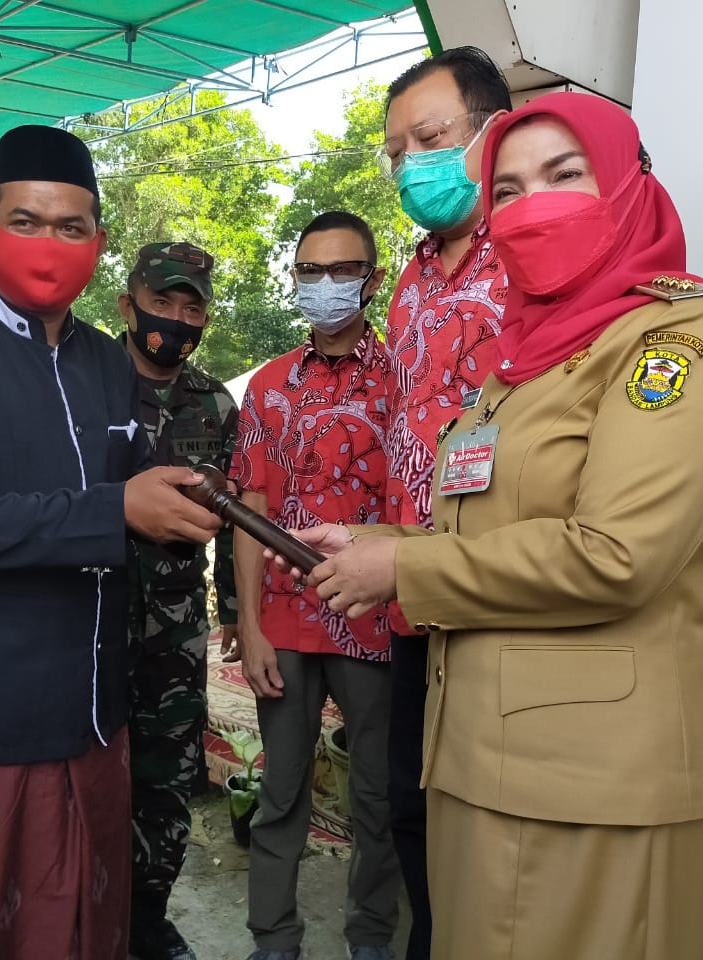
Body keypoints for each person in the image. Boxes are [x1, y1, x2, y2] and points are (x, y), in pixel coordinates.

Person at [276, 93, 703, 959]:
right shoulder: (526, 363)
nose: (534, 204)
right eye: (507, 190)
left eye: (565, 174)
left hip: (592, 783)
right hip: (483, 762)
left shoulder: (674, 342)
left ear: (626, 184)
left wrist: (406, 576)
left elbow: (616, 554)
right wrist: (381, 543)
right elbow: (500, 525)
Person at [0, 124, 221, 960]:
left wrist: (198, 501)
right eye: (26, 220)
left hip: (95, 714)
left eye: (72, 227)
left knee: (80, 934)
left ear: (98, 243)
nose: (49, 242)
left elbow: (131, 482)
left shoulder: (108, 363)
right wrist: (117, 511)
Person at [230, 211, 400, 960]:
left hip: (378, 619)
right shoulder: (268, 389)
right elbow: (248, 512)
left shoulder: (408, 385)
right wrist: (251, 624)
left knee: (378, 797)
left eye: (342, 270)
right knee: (283, 791)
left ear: (373, 278)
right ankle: (275, 937)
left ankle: (369, 938)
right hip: (287, 625)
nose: (325, 285)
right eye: (309, 271)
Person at [378, 47, 512, 960]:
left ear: (492, 134)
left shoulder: (535, 259)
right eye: (396, 153)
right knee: (409, 805)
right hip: (406, 586)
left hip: (494, 588)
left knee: (486, 818)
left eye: (428, 140)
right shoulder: (413, 276)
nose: (410, 166)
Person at [116, 241, 239, 960]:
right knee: (86, 779)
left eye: (191, 307)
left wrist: (231, 617)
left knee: (168, 784)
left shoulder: (217, 404)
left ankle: (148, 920)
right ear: (128, 303)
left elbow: (232, 514)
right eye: (163, 302)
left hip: (175, 628)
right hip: (89, 624)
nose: (176, 318)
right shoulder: (85, 385)